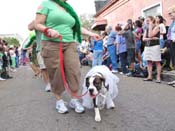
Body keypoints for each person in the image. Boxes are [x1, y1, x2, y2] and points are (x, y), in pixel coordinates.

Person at [34, 0, 99, 114]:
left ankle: (74, 99)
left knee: (74, 71)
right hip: (51, 43)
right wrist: (47, 30)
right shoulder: (46, 4)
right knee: (56, 72)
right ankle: (59, 101)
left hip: (70, 43)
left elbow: (77, 26)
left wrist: (91, 34)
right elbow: (37, 24)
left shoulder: (68, 8)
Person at [28, 20, 51, 92]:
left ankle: (55, 82)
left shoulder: (52, 19)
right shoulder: (37, 22)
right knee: (43, 68)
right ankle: (48, 83)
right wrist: (38, 19)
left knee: (53, 68)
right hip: (40, 48)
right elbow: (29, 27)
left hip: (53, 48)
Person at [143, 16, 161, 83]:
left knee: (157, 61)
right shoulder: (146, 29)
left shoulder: (156, 27)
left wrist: (150, 26)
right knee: (149, 61)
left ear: (152, 20)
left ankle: (158, 77)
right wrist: (151, 38)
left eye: (148, 20)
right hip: (147, 46)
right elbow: (143, 39)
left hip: (155, 46)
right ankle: (149, 76)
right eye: (146, 20)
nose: (146, 22)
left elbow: (150, 35)